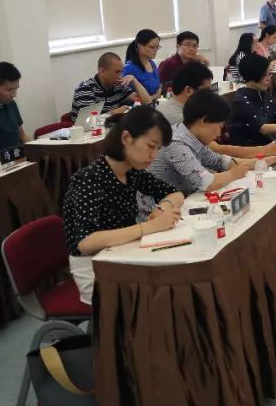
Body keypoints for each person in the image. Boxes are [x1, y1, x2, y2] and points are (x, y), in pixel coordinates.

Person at [62, 106, 185, 304]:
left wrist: (163, 209)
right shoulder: (89, 179)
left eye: (158, 149)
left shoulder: (132, 171)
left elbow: (175, 193)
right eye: (151, 146)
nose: (154, 155)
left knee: (172, 284)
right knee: (162, 296)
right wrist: (149, 227)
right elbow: (86, 243)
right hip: (94, 269)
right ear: (126, 138)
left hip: (124, 253)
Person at [156, 62, 276, 158]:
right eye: (206, 91)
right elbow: (216, 149)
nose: (209, 96)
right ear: (189, 90)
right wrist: (263, 150)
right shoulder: (177, 116)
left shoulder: (184, 107)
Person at [148, 90, 261, 196]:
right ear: (204, 121)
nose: (220, 133)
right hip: (163, 204)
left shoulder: (192, 136)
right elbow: (207, 183)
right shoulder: (176, 143)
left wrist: (259, 162)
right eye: (220, 126)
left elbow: (218, 161)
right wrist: (234, 173)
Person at [70, 52, 151, 121]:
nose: (120, 76)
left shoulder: (118, 86)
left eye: (121, 72)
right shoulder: (86, 89)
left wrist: (134, 80)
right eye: (117, 72)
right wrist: (113, 113)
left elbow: (147, 102)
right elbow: (87, 122)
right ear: (102, 71)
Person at [156, 61, 213, 125]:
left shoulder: (166, 106)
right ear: (188, 90)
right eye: (206, 90)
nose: (210, 94)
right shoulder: (183, 120)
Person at [121, 29, 163, 101]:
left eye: (157, 47)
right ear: (140, 46)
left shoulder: (151, 63)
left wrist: (158, 93)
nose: (155, 50)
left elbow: (159, 86)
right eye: (152, 47)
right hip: (141, 106)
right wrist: (155, 96)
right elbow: (127, 96)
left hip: (155, 102)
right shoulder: (129, 68)